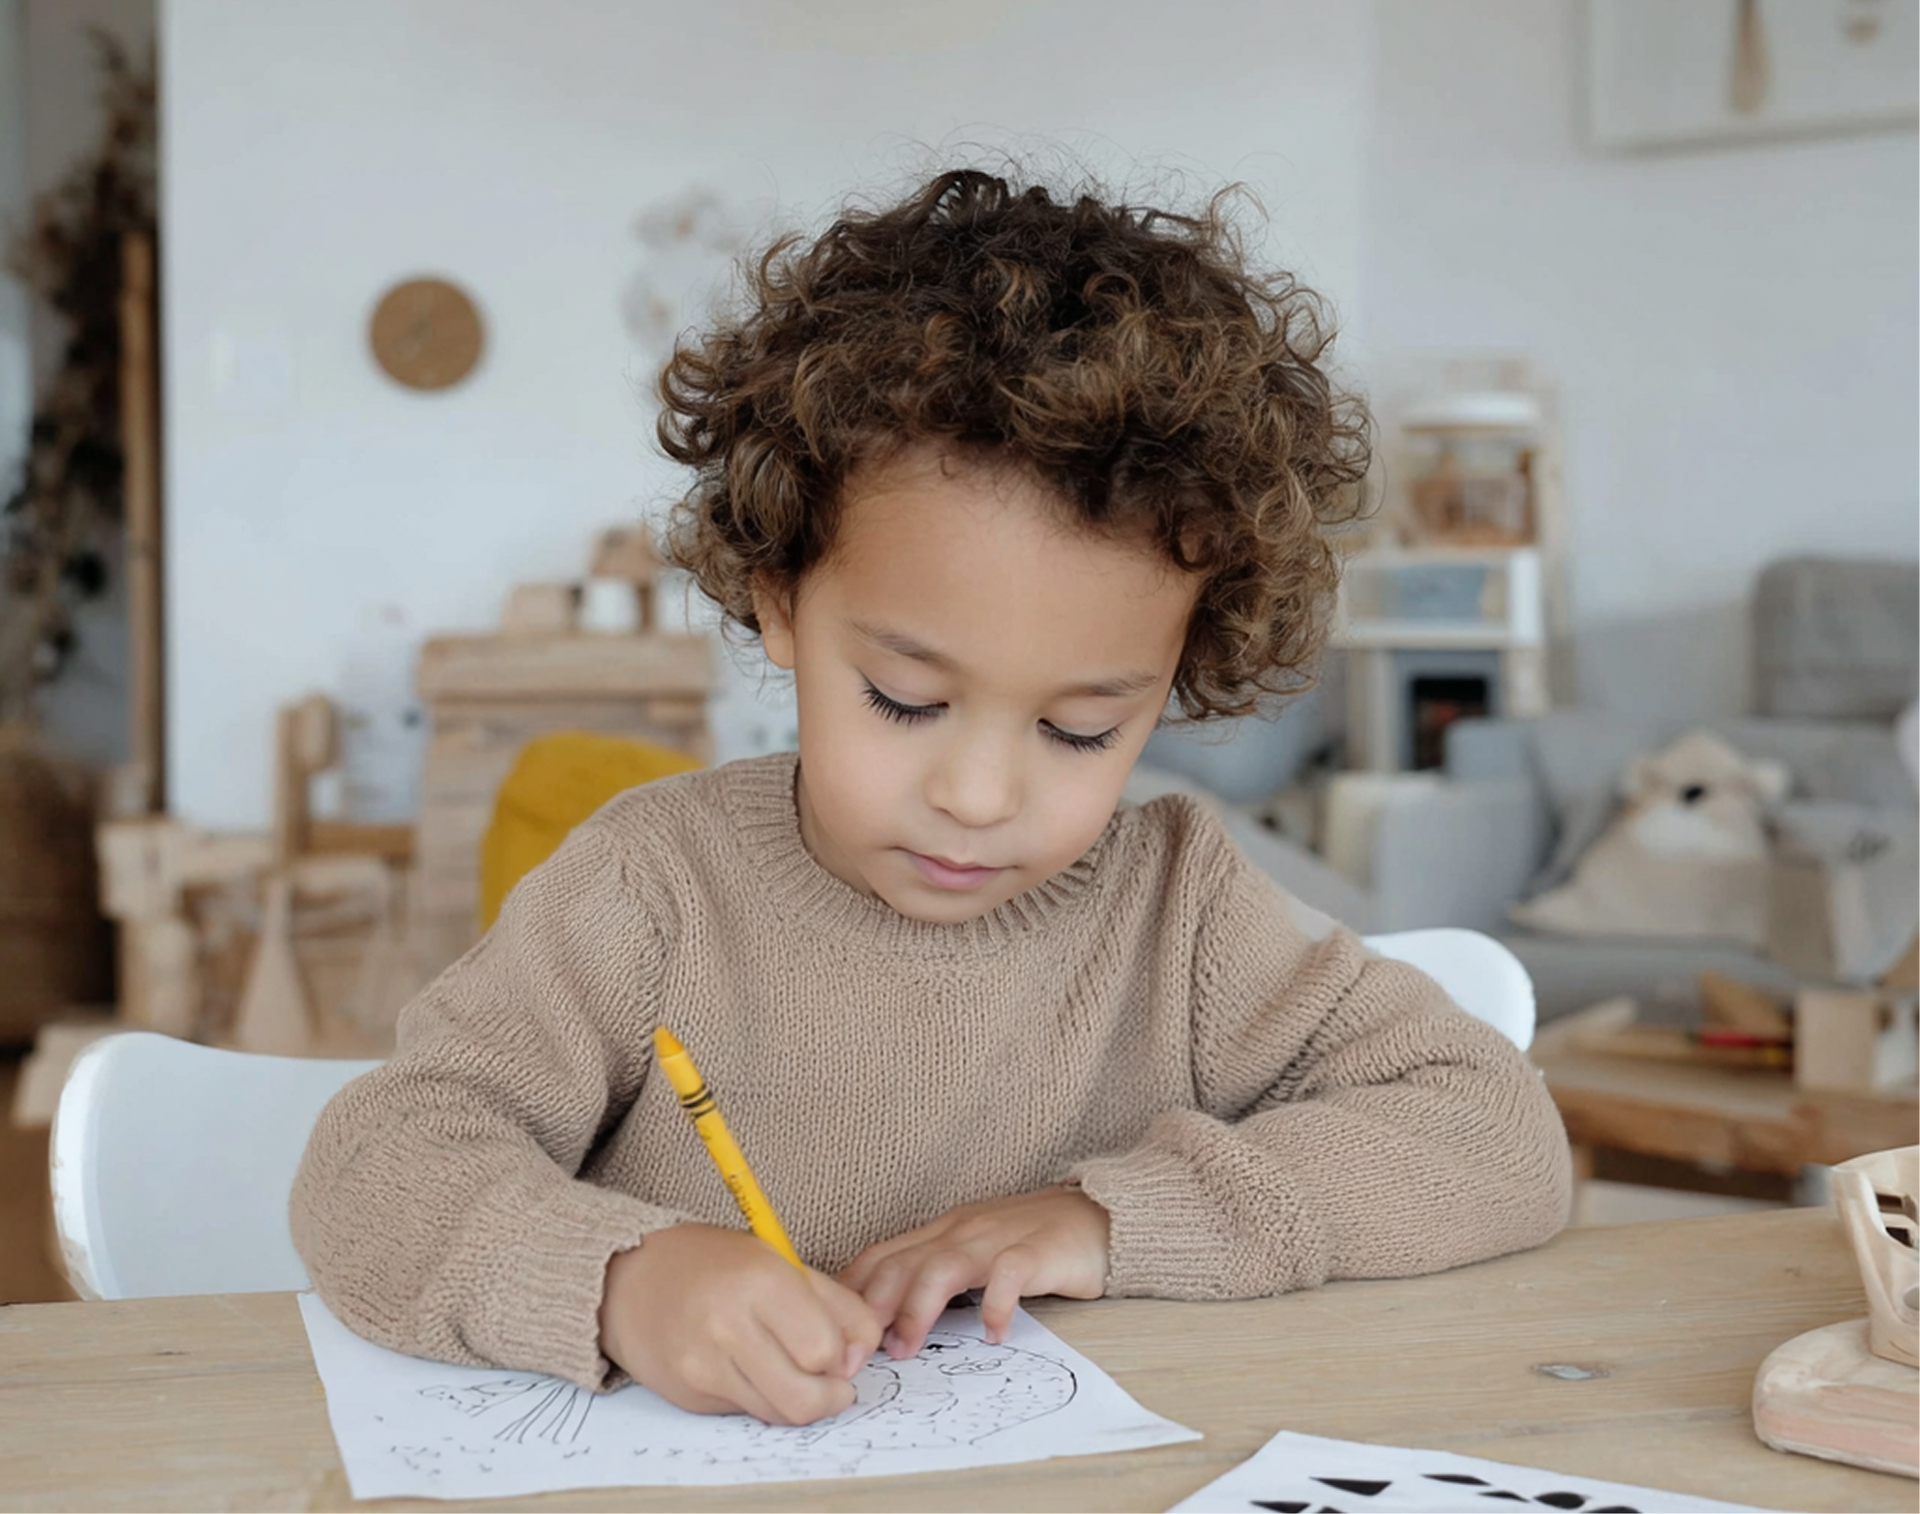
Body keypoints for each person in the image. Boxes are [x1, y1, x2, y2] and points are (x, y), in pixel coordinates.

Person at [291, 168, 1571, 1430]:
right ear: (782, 599)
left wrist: (1113, 1218)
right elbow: (378, 1165)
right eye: (906, 700)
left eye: (1083, 726)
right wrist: (621, 1278)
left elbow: (1496, 1134)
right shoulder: (648, 889)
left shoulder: (1178, 907)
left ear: (1179, 673)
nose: (977, 794)